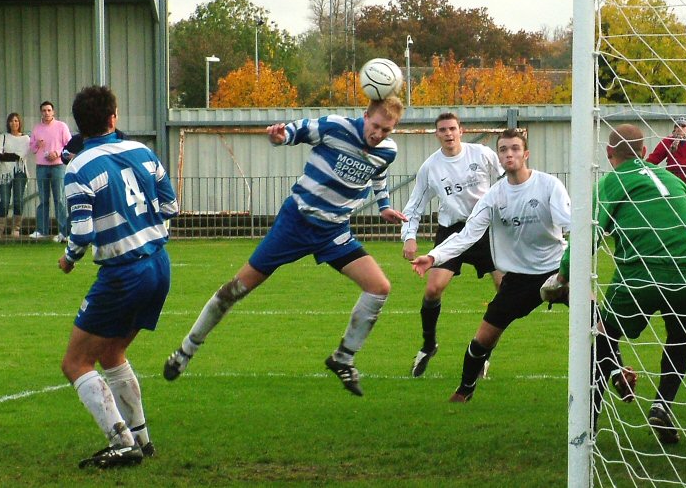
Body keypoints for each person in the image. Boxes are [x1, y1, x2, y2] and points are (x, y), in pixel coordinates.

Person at [163, 97, 407, 397]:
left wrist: (384, 205)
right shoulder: (335, 126)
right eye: (376, 126)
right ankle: (186, 349)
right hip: (296, 223)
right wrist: (281, 136)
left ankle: (343, 358)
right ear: (365, 115)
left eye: (386, 130)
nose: (379, 134)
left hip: (333, 231)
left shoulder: (387, 151)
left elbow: (378, 175)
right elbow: (299, 130)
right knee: (236, 289)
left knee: (379, 287)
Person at [552, 124, 686, 444]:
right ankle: (662, 405)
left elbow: (587, 237)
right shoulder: (673, 179)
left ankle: (588, 427)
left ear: (610, 155)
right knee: (681, 339)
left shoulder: (612, 182)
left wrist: (562, 276)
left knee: (601, 335)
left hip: (641, 276)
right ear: (644, 151)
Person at [58, 85, 179, 468]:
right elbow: (171, 206)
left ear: (80, 126)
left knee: (75, 363)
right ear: (114, 117)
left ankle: (121, 441)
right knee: (112, 352)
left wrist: (69, 259)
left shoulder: (78, 167)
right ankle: (141, 438)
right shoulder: (143, 152)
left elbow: (81, 232)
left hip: (124, 272)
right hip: (160, 264)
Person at [412, 128, 571, 402]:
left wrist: (573, 261)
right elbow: (467, 234)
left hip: (558, 270)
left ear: (526, 154)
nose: (509, 154)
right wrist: (434, 257)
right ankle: (465, 390)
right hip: (519, 279)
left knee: (597, 318)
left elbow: (568, 223)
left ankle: (617, 372)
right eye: (504, 149)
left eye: (515, 149)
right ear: (499, 155)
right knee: (482, 339)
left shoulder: (549, 186)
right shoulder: (494, 196)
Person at [401, 112, 504, 377]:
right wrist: (409, 236)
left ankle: (482, 355)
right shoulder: (430, 167)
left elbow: (507, 178)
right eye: (442, 130)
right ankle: (428, 345)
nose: (448, 134)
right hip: (452, 230)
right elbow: (414, 206)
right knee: (434, 288)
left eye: (452, 129)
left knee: (505, 288)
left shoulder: (481, 154)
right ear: (436, 134)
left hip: (485, 228)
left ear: (462, 130)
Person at [29, 100, 72, 241]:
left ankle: (64, 232)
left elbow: (69, 144)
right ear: (41, 112)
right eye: (44, 111)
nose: (46, 113)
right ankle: (42, 230)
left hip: (58, 165)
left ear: (53, 112)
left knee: (59, 199)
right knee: (43, 199)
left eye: (49, 110)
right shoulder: (36, 128)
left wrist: (58, 153)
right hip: (41, 166)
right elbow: (33, 149)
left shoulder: (61, 126)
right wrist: (37, 144)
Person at [0, 113, 31, 238]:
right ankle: (0, 227)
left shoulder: (26, 138)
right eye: (11, 121)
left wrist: (7, 155)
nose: (14, 123)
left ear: (19, 123)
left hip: (20, 172)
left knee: (18, 200)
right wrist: (11, 156)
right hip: (5, 173)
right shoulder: (3, 137)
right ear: (8, 123)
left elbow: (21, 156)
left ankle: (16, 228)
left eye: (16, 121)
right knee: (4, 201)